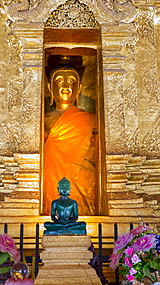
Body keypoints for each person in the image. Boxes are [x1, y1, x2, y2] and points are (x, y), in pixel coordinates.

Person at [43, 56, 96, 216]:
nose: (65, 86)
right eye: (59, 81)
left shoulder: (90, 119)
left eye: (71, 81)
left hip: (80, 178)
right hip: (50, 178)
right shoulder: (42, 118)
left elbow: (94, 150)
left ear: (79, 88)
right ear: (49, 87)